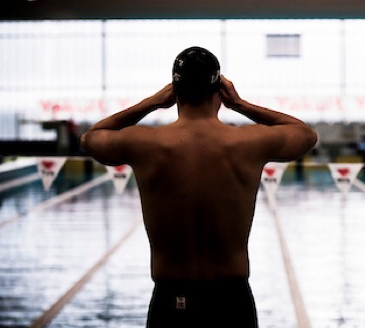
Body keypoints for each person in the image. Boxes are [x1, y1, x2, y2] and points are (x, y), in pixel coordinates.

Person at [80, 46, 317, 327]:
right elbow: (305, 134)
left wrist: (152, 102)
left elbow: (92, 137)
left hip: (171, 298)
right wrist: (241, 105)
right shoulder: (248, 142)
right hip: (232, 299)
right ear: (220, 90)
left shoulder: (145, 143)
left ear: (174, 91)